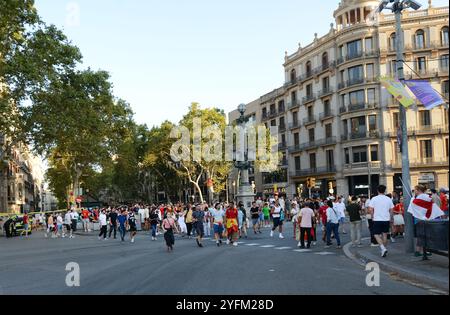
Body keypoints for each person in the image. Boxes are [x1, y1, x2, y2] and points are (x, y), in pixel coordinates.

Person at [368, 185, 394, 258]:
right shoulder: (388, 199)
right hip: (386, 219)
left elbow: (370, 209)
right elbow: (391, 210)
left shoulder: (374, 199)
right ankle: (384, 249)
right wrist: (391, 218)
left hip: (377, 219)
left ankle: (383, 248)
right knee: (384, 234)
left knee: (376, 234)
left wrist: (372, 216)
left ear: (377, 191)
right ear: (385, 191)